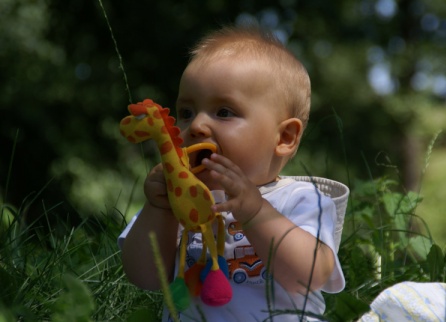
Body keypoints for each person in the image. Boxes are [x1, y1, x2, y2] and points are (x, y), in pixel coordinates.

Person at [118, 23, 348, 321]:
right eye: (186, 112)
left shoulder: (299, 199)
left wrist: (255, 212)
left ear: (284, 138)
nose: (196, 126)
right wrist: (157, 208)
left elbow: (311, 276)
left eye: (224, 112)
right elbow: (144, 276)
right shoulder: (180, 203)